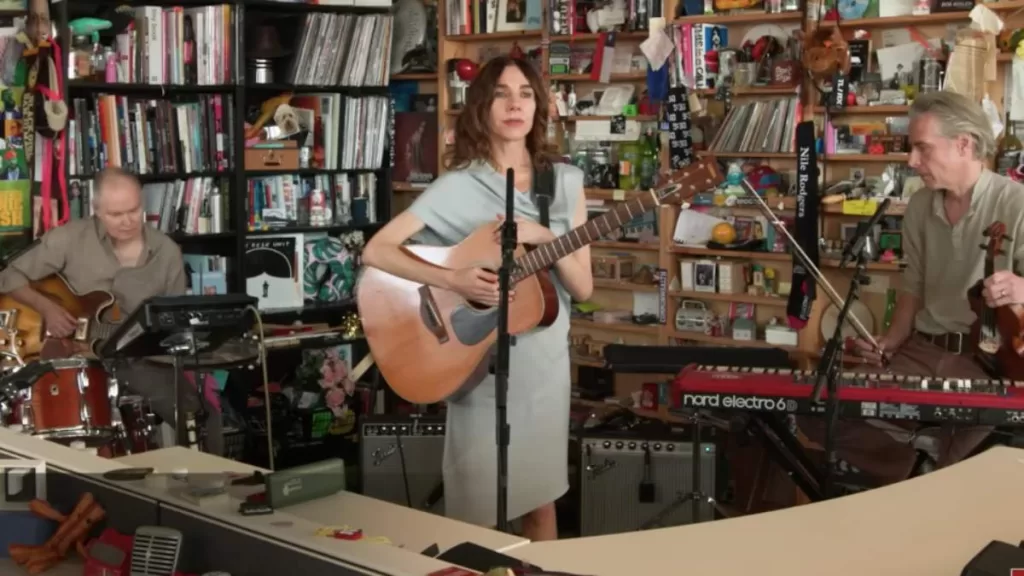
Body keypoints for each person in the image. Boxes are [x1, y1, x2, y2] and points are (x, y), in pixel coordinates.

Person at [362, 56, 592, 540]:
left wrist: (544, 235)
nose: (515, 105)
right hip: (477, 365)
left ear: (539, 106)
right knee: (473, 514)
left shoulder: (565, 182)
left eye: (525, 93)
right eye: (501, 94)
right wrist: (454, 281)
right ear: (481, 107)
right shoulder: (457, 185)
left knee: (540, 505)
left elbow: (583, 288)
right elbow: (377, 250)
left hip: (543, 368)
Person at [804, 91, 1024, 483]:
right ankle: (916, 465)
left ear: (963, 144)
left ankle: (923, 471)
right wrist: (890, 340)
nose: (911, 161)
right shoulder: (920, 205)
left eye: (922, 148)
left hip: (986, 364)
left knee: (967, 466)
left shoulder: (1017, 203)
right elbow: (913, 287)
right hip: (922, 350)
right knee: (822, 411)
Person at [0, 167, 224, 455]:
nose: (127, 222)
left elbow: (174, 319)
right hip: (71, 359)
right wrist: (48, 309)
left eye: (133, 211)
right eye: (115, 215)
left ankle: (204, 484)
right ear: (96, 210)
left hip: (138, 359)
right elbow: (8, 276)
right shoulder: (69, 238)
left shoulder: (166, 252)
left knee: (202, 418)